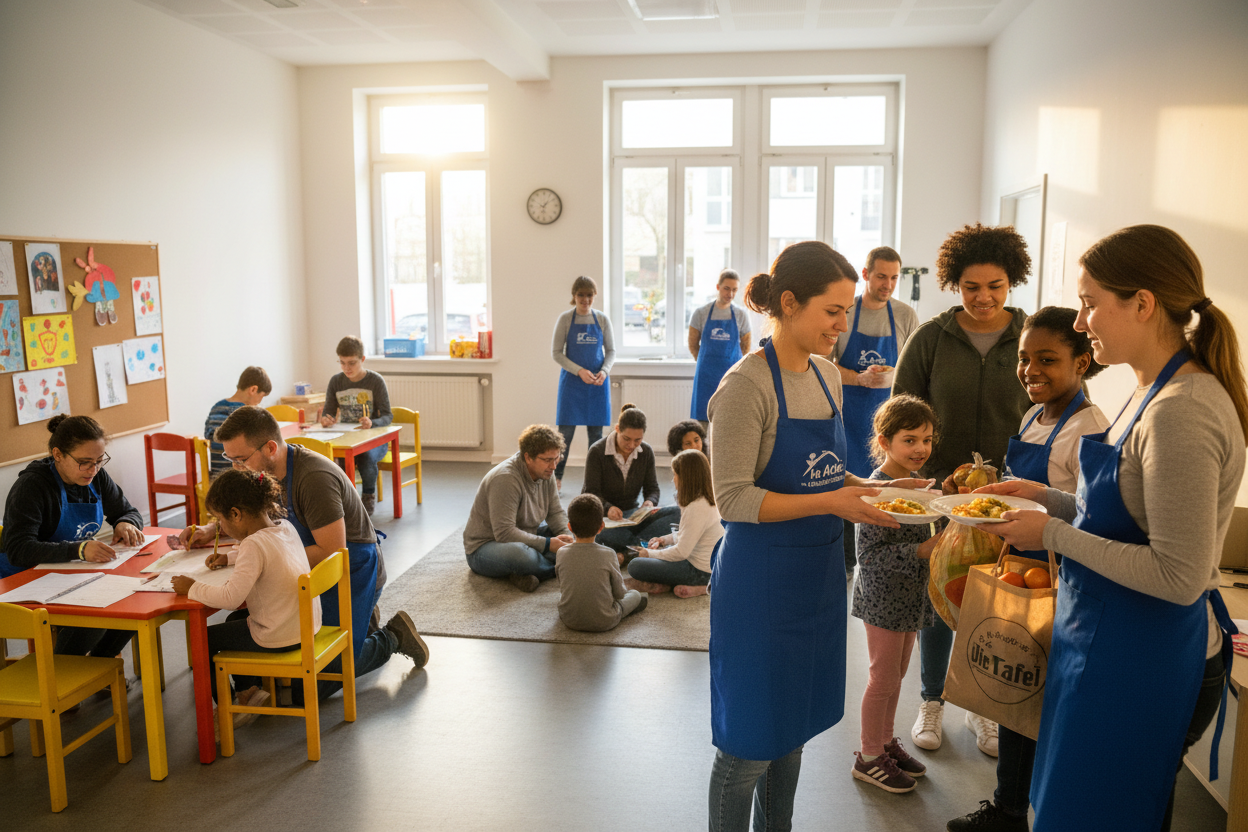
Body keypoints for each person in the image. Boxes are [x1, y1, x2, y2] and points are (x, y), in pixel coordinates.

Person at [977, 225, 1245, 832]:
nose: (1081, 318)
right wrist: (1045, 499)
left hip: (1141, 661)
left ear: (1143, 303)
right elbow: (1121, 515)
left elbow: (1177, 576)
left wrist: (1047, 533)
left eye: (1091, 301)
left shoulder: (1182, 410)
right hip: (1099, 643)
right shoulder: (1147, 390)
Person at [706, 240, 930, 832]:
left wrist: (882, 490)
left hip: (817, 579)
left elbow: (831, 471)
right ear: (788, 302)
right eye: (833, 310)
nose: (844, 322)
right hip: (760, 585)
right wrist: (833, 501)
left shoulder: (830, 376)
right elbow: (732, 498)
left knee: (793, 730)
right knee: (750, 743)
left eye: (847, 308)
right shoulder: (744, 386)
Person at [947, 305, 1108, 831]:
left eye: (1047, 359)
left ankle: (1026, 810)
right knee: (1014, 693)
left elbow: (1089, 513)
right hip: (1018, 568)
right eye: (1023, 358)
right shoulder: (1033, 416)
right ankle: (1009, 807)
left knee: (1036, 705)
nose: (1030, 370)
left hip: (1056, 578)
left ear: (1083, 361)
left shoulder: (1089, 426)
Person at [892, 223, 1034, 755]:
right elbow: (900, 412)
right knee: (942, 598)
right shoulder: (930, 338)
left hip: (1012, 497)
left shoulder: (1031, 337)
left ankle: (984, 708)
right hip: (940, 492)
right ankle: (932, 701)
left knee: (998, 601)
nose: (983, 298)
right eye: (972, 287)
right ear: (956, 284)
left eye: (995, 286)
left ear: (1011, 282)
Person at [182, 406, 427, 700]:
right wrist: (212, 529)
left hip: (351, 569)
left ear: (270, 448)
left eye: (241, 459)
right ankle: (357, 627)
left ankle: (391, 635)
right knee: (267, 640)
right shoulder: (261, 475)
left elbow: (330, 550)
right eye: (230, 460)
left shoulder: (313, 479)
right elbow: (248, 514)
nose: (237, 468)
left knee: (318, 680)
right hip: (304, 570)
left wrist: (263, 565)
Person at [851, 394, 943, 795]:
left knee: (899, 674)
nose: (921, 448)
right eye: (910, 440)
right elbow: (868, 557)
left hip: (910, 596)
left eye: (926, 439)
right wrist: (921, 551)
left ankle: (886, 743)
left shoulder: (918, 487)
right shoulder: (876, 490)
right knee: (882, 678)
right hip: (883, 598)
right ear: (884, 441)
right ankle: (869, 756)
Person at [170, 469, 311, 726]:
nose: (219, 527)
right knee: (236, 619)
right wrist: (228, 558)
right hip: (303, 624)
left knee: (204, 638)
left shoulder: (252, 545)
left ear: (236, 514)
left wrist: (191, 587)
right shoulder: (285, 527)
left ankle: (225, 707)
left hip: (281, 635)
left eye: (220, 520)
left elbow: (230, 597)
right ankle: (249, 691)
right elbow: (267, 555)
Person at [0, 414, 143, 658]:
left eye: (100, 461)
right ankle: (59, 681)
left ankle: (99, 665)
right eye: (85, 462)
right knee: (95, 611)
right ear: (57, 455)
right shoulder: (32, 486)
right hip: (24, 578)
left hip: (67, 572)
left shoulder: (96, 477)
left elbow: (128, 511)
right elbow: (18, 549)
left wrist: (125, 523)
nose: (93, 469)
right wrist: (78, 550)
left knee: (134, 600)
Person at [834, 247, 919, 576]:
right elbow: (824, 365)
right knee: (847, 489)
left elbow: (912, 368)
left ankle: (886, 557)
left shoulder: (905, 315)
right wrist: (859, 377)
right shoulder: (846, 311)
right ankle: (846, 562)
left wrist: (892, 375)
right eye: (881, 276)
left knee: (889, 487)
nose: (888, 284)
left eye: (894, 277)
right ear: (866, 274)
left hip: (888, 415)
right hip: (848, 415)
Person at [464, 424, 575, 593]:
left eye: (556, 458)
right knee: (522, 556)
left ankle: (526, 572)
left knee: (579, 535)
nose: (553, 466)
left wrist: (569, 538)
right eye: (547, 460)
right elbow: (504, 533)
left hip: (527, 534)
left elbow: (555, 512)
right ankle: (563, 567)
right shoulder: (506, 479)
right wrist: (547, 545)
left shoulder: (546, 471)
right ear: (528, 457)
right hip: (485, 547)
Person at [582, 403, 682, 556]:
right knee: (596, 532)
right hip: (605, 519)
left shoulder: (646, 451)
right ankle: (642, 547)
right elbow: (590, 493)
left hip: (634, 517)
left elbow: (652, 489)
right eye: (627, 439)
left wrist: (650, 502)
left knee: (677, 512)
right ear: (617, 429)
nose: (631, 445)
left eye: (638, 440)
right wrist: (608, 508)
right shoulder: (597, 451)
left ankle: (627, 549)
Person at [626, 448, 722, 598]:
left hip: (700, 571)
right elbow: (689, 534)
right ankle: (670, 584)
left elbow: (681, 552)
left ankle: (702, 587)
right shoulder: (702, 500)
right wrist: (664, 539)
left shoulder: (697, 507)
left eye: (675, 475)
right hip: (707, 565)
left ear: (686, 478)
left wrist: (650, 553)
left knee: (635, 565)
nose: (673, 479)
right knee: (651, 558)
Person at [552, 276, 615, 491]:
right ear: (574, 296)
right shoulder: (565, 320)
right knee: (564, 436)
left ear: (594, 296)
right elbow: (556, 353)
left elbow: (611, 351)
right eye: (581, 295)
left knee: (596, 438)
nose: (585, 299)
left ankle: (592, 484)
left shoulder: (603, 320)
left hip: (597, 385)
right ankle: (556, 480)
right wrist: (579, 371)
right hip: (572, 385)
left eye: (589, 295)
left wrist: (604, 372)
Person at [319, 335, 393, 515]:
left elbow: (387, 416)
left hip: (374, 439)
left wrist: (372, 422)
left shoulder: (375, 381)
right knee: (336, 460)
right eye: (342, 363)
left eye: (351, 363)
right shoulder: (336, 381)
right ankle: (346, 500)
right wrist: (326, 420)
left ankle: (368, 498)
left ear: (362, 359)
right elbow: (328, 411)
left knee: (366, 457)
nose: (346, 368)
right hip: (347, 437)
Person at [555, 493, 648, 632]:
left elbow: (563, 587)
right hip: (605, 621)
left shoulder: (561, 552)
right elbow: (620, 594)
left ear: (569, 527)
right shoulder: (609, 553)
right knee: (634, 595)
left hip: (568, 619)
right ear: (601, 527)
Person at [690, 268, 752, 423]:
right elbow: (692, 343)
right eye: (726, 289)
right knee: (703, 425)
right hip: (706, 376)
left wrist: (734, 364)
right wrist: (705, 362)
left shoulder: (741, 314)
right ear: (718, 287)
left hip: (731, 377)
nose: (730, 294)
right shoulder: (701, 313)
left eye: (734, 290)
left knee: (728, 421)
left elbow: (746, 344)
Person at [206, 366, 272, 475]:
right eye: (262, 396)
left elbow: (208, 435)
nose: (260, 401)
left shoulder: (217, 407)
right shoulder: (248, 413)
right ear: (253, 390)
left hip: (216, 473)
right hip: (239, 474)